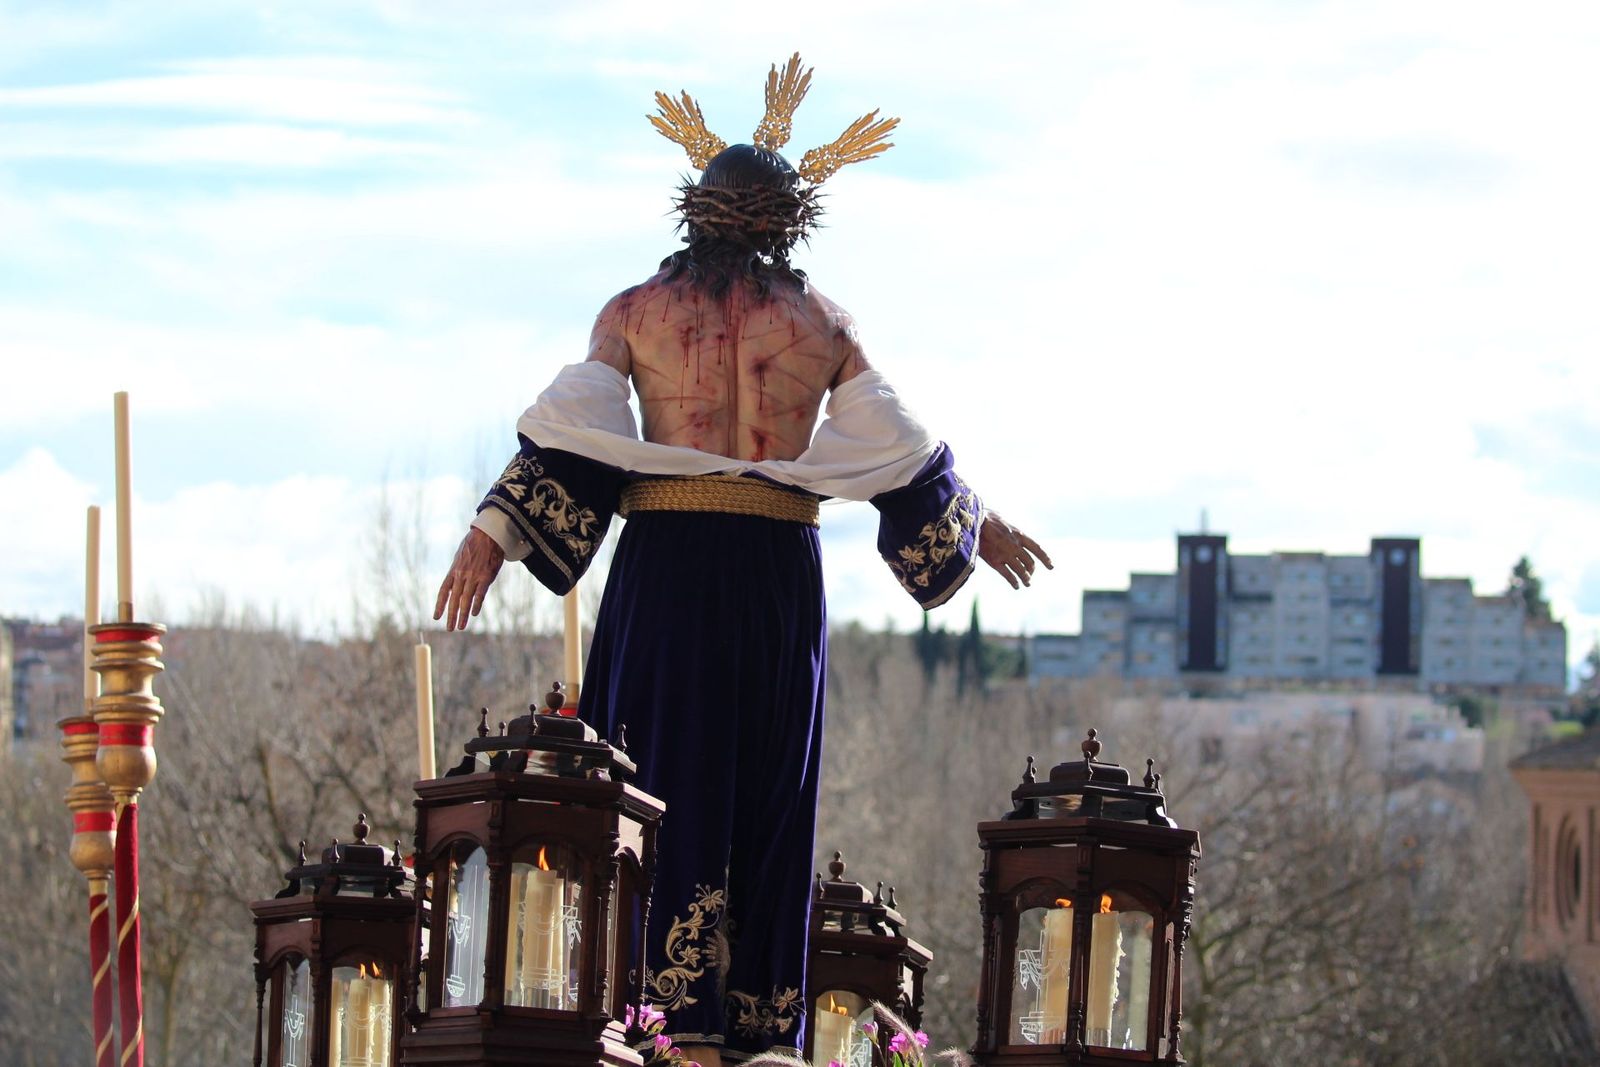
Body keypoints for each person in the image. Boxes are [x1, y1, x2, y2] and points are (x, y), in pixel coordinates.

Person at [434, 56, 1050, 1066]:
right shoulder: (819, 323)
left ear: (696, 213)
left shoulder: (634, 311)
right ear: (789, 220)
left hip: (667, 568)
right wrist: (977, 522)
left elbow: (568, 435)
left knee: (646, 781)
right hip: (773, 572)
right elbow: (903, 451)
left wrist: (492, 531)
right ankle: (752, 1033)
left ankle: (650, 1021)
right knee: (767, 790)